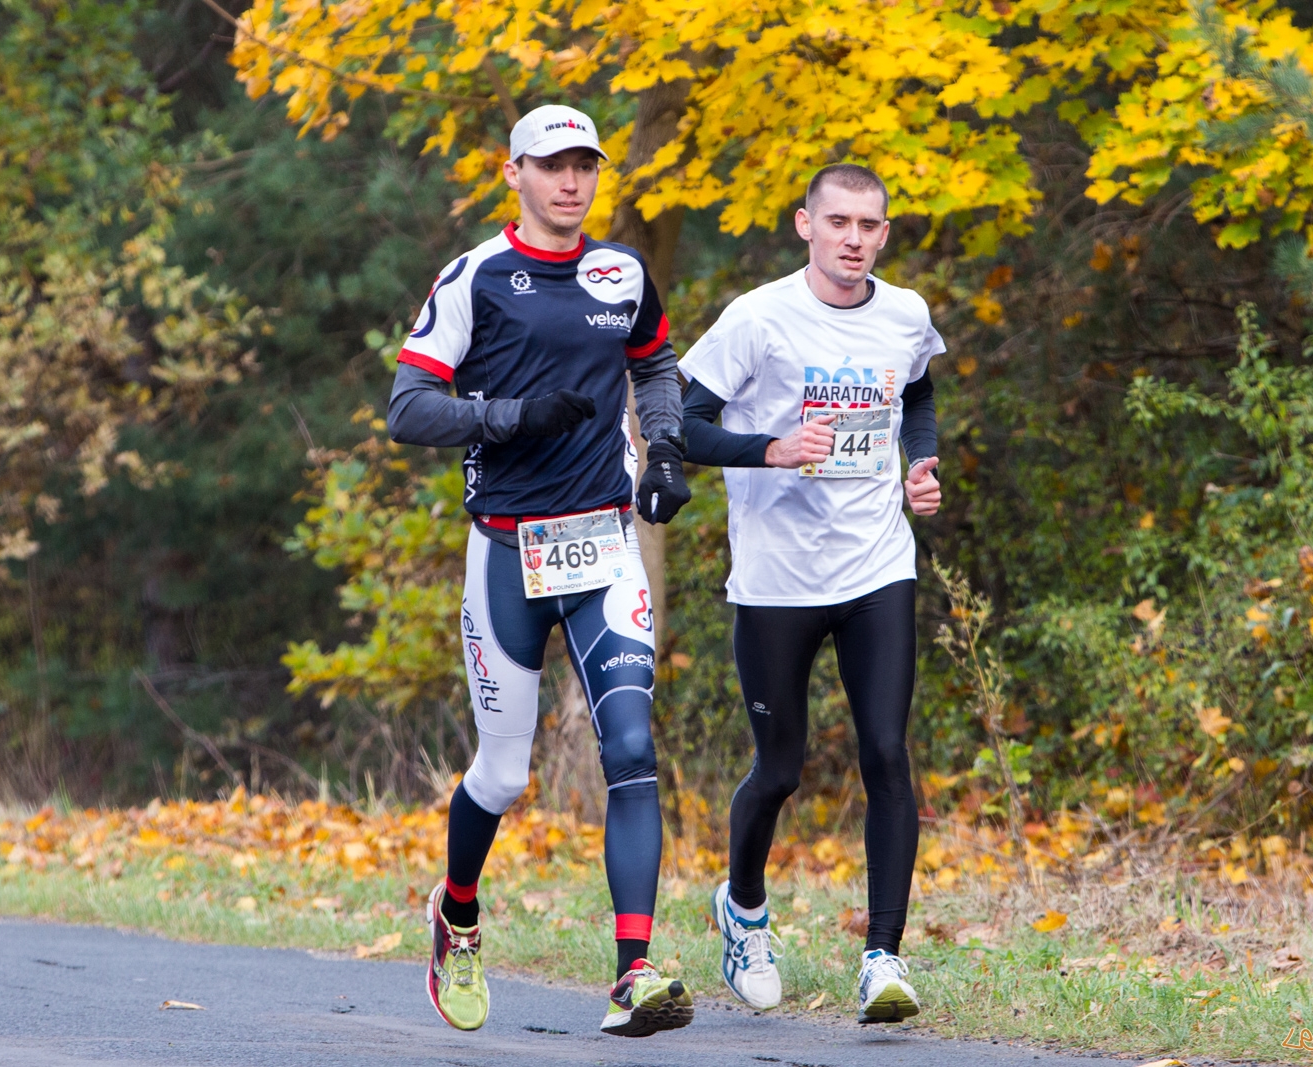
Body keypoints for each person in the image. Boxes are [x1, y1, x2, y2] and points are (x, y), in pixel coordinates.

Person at [385, 103, 694, 1038]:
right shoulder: (477, 276)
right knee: (504, 772)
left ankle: (632, 974)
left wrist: (669, 447)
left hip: (604, 544)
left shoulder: (623, 272)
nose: (572, 182)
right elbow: (408, 408)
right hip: (508, 551)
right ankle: (459, 915)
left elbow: (656, 363)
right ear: (513, 172)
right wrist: (514, 416)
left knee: (632, 751)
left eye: (586, 166)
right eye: (553, 165)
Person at [677, 163, 943, 1024]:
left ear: (885, 233)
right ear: (805, 224)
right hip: (776, 579)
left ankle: (884, 959)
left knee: (886, 753)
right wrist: (770, 450)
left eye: (869, 225)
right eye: (838, 223)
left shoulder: (905, 313)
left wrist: (922, 465)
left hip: (875, 568)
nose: (854, 239)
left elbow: (921, 391)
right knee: (781, 767)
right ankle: (744, 909)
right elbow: (681, 423)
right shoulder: (758, 317)